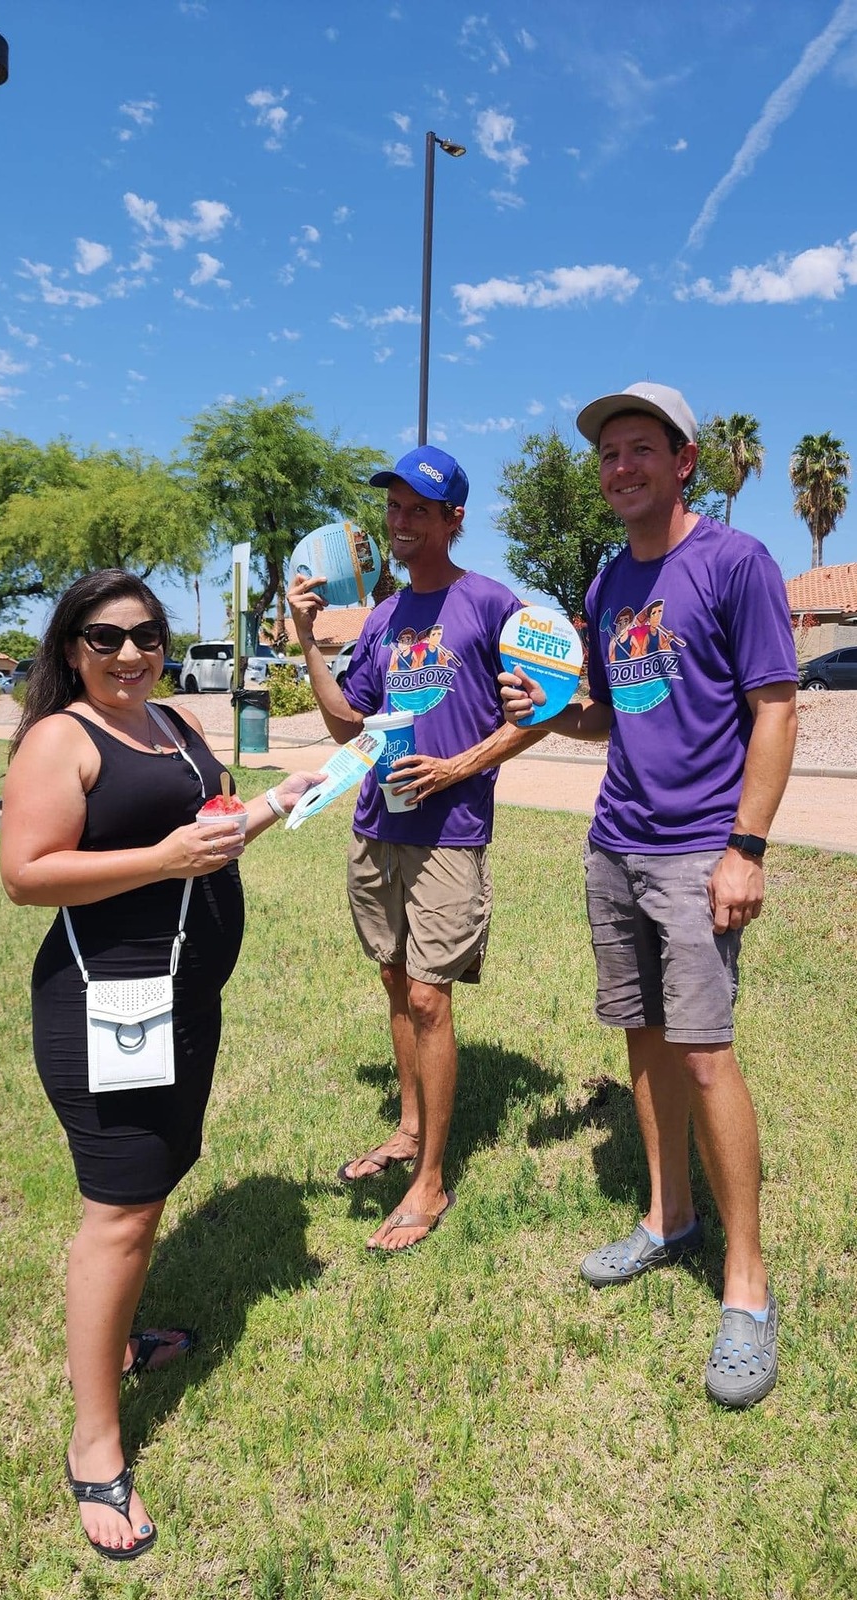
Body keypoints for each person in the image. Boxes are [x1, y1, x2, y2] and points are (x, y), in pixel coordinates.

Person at [0, 569, 316, 1560]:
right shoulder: (65, 737)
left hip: (182, 999)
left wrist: (278, 803)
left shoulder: (170, 722)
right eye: (105, 638)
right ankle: (96, 1444)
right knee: (121, 1209)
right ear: (70, 647)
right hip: (108, 1004)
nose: (131, 654)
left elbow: (205, 837)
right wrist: (160, 861)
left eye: (145, 635)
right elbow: (27, 873)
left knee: (153, 1184)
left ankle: (119, 1345)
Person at [500, 383, 798, 1408]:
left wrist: (745, 847)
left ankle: (747, 1288)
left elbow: (774, 708)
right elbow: (613, 714)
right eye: (607, 454)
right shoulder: (607, 582)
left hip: (697, 851)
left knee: (707, 1054)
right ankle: (670, 1216)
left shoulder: (733, 562)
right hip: (616, 841)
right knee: (640, 1038)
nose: (619, 467)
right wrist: (547, 708)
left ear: (685, 460)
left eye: (639, 449)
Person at [288, 447, 539, 1252]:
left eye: (418, 510)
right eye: (393, 509)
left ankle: (431, 1179)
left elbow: (538, 710)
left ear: (453, 519)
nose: (400, 523)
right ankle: (406, 1125)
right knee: (396, 982)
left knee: (432, 996)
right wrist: (307, 640)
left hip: (448, 833)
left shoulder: (493, 604)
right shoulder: (384, 617)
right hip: (376, 825)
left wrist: (460, 765)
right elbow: (345, 723)